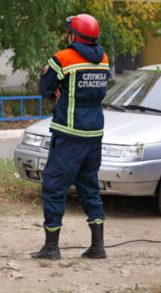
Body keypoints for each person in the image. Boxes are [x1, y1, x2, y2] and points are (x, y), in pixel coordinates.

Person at [32, 14, 110, 260]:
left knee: (54, 187)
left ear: (74, 35)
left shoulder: (63, 58)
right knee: (89, 188)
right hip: (94, 133)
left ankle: (51, 248)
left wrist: (60, 89)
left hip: (69, 134)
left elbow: (45, 89)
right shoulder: (104, 58)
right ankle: (98, 246)